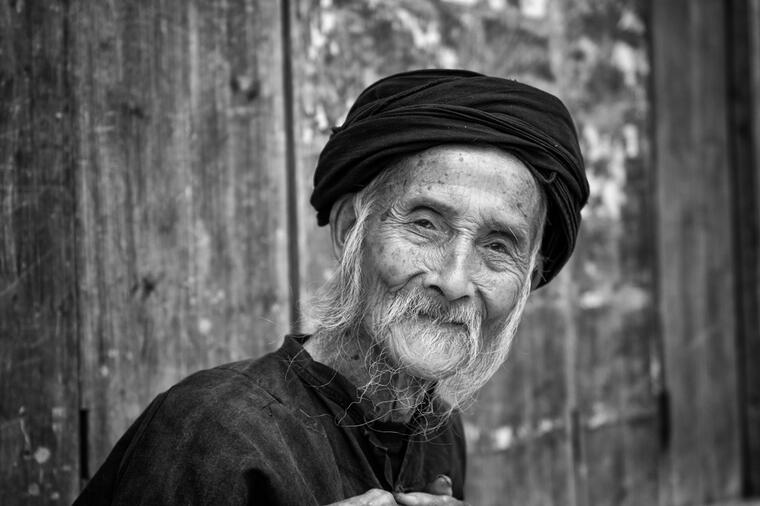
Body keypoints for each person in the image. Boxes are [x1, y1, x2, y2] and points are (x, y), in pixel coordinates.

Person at [73, 69, 588, 505]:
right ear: (349, 230)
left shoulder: (438, 430)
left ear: (528, 279)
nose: (454, 281)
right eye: (425, 224)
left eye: (498, 246)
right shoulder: (210, 428)